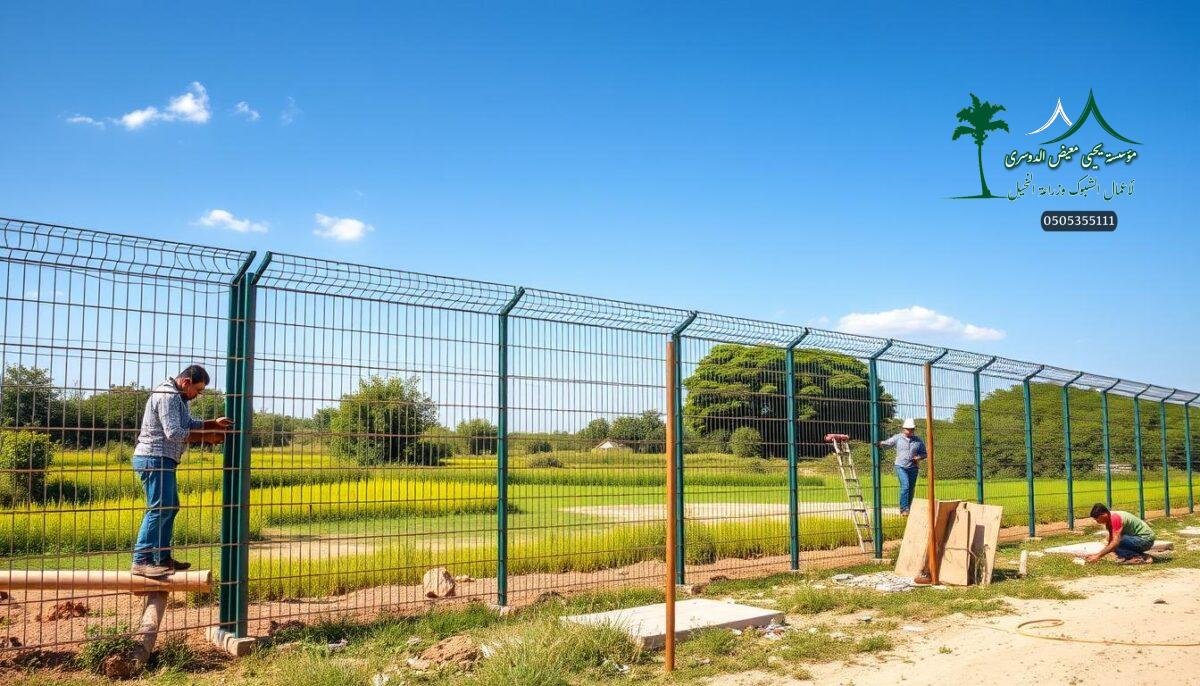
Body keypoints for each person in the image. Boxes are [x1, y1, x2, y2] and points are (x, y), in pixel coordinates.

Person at [130, 365, 233, 578]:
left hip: (163, 459)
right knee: (159, 508)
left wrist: (211, 423)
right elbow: (174, 433)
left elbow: (188, 423)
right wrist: (206, 437)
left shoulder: (179, 398)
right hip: (153, 458)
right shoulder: (167, 395)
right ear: (186, 383)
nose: (198, 395)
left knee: (170, 506)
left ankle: (162, 558)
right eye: (199, 390)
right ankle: (141, 560)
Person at [878, 418, 926, 515]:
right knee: (905, 486)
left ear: (914, 429)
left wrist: (919, 457)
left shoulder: (918, 441)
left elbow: (925, 454)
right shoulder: (898, 437)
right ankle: (903, 509)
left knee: (911, 488)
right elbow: (888, 442)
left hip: (913, 468)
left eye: (912, 429)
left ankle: (909, 507)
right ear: (903, 429)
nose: (910, 431)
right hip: (901, 466)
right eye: (908, 429)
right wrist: (880, 443)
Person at [1086, 503, 1156, 565]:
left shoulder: (1115, 518)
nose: (1097, 521)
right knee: (1113, 543)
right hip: (1139, 539)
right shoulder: (1109, 520)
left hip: (1145, 540)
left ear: (1104, 514)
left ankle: (1136, 557)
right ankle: (1143, 557)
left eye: (1097, 518)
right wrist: (1098, 555)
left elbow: (1115, 542)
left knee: (1116, 542)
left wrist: (1098, 556)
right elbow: (1110, 541)